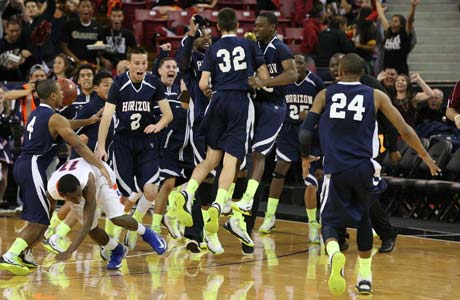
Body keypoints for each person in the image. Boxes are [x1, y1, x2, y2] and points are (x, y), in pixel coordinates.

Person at [299, 53, 440, 295]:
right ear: (363, 74)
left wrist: (304, 159)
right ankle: (365, 278)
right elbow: (404, 130)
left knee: (330, 223)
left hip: (335, 169)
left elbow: (304, 132)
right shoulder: (376, 95)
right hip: (364, 168)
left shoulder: (325, 95)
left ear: (339, 72)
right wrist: (426, 158)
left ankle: (334, 255)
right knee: (364, 220)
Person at [174, 7, 269, 254]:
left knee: (210, 157)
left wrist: (209, 92)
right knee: (231, 161)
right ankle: (218, 204)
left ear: (218, 27)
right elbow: (264, 76)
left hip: (217, 102)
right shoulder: (248, 45)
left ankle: (189, 191)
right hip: (239, 101)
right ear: (238, 24)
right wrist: (258, 83)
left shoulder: (214, 48)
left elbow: (204, 83)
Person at [0, 79, 112, 276]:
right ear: (53, 95)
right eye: (60, 91)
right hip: (33, 166)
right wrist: (100, 165)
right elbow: (78, 145)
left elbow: (64, 124)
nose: (62, 94)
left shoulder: (39, 113)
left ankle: (24, 254)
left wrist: (87, 121)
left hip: (24, 165)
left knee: (44, 215)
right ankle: (10, 255)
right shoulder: (54, 117)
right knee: (40, 220)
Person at [232, 11, 297, 254]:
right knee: (241, 156)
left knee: (258, 156)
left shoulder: (278, 48)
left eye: (261, 25)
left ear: (273, 27)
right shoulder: (252, 46)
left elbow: (292, 74)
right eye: (254, 25)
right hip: (253, 105)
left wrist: (265, 82)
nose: (256, 28)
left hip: (273, 107)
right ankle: (234, 208)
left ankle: (246, 212)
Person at [96, 47, 173, 250]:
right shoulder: (119, 84)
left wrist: (158, 125)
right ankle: (111, 240)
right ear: (129, 64)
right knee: (122, 195)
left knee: (151, 191)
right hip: (123, 143)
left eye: (143, 63)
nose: (140, 67)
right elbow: (106, 117)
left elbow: (168, 114)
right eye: (136, 63)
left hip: (146, 142)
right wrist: (102, 145)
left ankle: (135, 224)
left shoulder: (153, 83)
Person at [46, 157, 167, 269]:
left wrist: (69, 251)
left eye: (79, 195)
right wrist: (45, 229)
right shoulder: (51, 190)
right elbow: (47, 211)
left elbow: (87, 223)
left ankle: (148, 234)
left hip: (100, 177)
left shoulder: (87, 181)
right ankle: (117, 249)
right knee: (92, 231)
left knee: (116, 218)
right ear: (62, 195)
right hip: (77, 179)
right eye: (73, 199)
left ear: (80, 187)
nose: (78, 200)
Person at [257, 54, 324, 244]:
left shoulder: (316, 83)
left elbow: (325, 107)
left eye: (301, 63)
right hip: (287, 132)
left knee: (310, 178)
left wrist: (312, 116)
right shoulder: (284, 82)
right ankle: (270, 217)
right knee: (279, 172)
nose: (298, 66)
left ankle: (313, 224)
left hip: (309, 134)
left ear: (307, 65)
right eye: (294, 63)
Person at [376, 0, 419, 75]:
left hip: (400, 71)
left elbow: (409, 21)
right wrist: (377, 2)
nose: (392, 23)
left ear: (401, 25)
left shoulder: (404, 34)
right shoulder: (389, 32)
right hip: (387, 71)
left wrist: (413, 6)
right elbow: (382, 17)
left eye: (396, 21)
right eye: (392, 21)